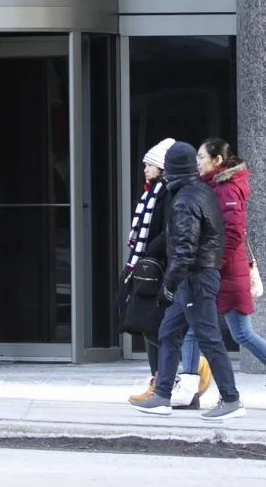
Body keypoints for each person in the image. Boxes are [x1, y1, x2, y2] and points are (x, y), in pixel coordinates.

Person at [179, 138, 266, 411]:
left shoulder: (226, 190)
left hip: (227, 273)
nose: (197, 162)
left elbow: (234, 234)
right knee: (194, 327)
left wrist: (211, 264)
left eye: (202, 157)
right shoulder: (213, 187)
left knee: (241, 333)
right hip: (220, 271)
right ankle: (188, 389)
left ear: (217, 161)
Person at [128, 141, 243, 420]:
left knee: (209, 338)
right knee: (168, 332)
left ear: (172, 169)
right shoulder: (200, 191)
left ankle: (231, 400)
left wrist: (168, 285)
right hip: (197, 277)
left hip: (195, 279)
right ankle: (162, 396)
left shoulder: (184, 200)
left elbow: (184, 250)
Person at [118, 138, 176, 393]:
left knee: (154, 325)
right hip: (145, 265)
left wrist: (149, 253)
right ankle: (161, 377)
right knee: (148, 325)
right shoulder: (151, 193)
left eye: (149, 165)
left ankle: (163, 379)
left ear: (161, 167)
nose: (145, 169)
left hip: (156, 268)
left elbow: (166, 231)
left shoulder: (166, 193)